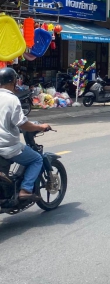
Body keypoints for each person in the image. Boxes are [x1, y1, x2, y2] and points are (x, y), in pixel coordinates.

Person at [0, 68, 51, 199]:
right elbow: (22, 124)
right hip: (7, 146)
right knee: (37, 159)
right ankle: (25, 190)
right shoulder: (12, 99)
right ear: (13, 81)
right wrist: (40, 127)